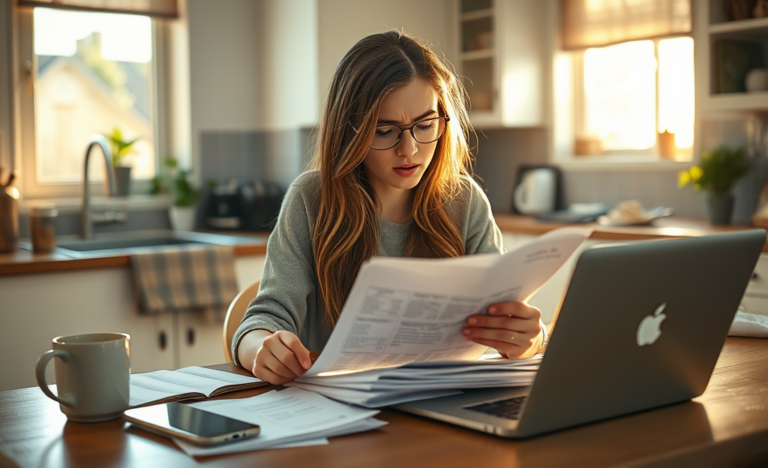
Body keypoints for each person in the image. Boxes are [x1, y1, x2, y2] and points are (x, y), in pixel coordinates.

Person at [233, 31, 545, 385]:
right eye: (385, 131)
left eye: (425, 125)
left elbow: (508, 315)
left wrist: (529, 339)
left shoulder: (464, 201)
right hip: (337, 403)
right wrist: (259, 348)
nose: (409, 149)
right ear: (350, 131)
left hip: (437, 397)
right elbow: (261, 322)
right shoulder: (311, 199)